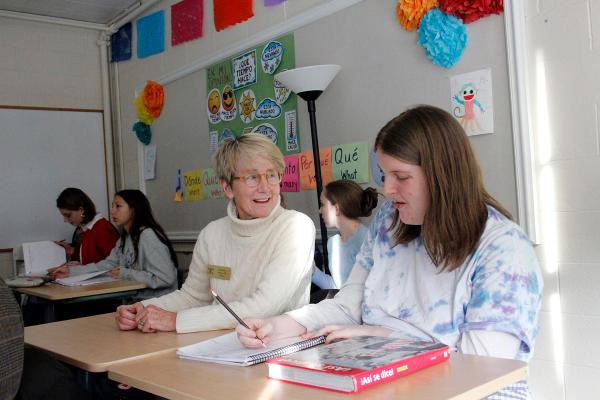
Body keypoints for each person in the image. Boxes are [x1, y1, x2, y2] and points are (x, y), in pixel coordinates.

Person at [237, 105, 543, 400]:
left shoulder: (504, 251)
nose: (388, 189)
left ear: (444, 176)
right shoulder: (389, 222)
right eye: (385, 175)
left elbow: (478, 372)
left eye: (402, 177)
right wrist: (277, 325)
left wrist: (378, 338)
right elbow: (346, 307)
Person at [114, 133, 316, 333]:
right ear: (227, 188)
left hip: (277, 353)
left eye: (272, 175)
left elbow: (264, 307)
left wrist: (177, 321)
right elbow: (193, 297)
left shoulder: (296, 227)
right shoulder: (212, 234)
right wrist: (146, 308)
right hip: (217, 347)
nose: (265, 187)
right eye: (252, 177)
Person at [49, 190, 178, 300]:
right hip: (137, 304)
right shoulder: (124, 237)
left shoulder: (147, 236)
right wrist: (71, 272)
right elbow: (108, 265)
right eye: (112, 206)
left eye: (118, 206)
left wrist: (125, 273)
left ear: (133, 209)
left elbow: (166, 278)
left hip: (158, 304)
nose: (112, 212)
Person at [312, 179, 378, 290]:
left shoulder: (367, 241)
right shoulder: (332, 243)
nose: (320, 210)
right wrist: (313, 270)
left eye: (323, 204)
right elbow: (338, 288)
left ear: (336, 209)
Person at [55, 187, 119, 264]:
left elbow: (115, 264)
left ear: (81, 210)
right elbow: (86, 257)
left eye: (68, 215)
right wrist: (70, 250)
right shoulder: (85, 229)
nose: (65, 220)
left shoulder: (102, 229)